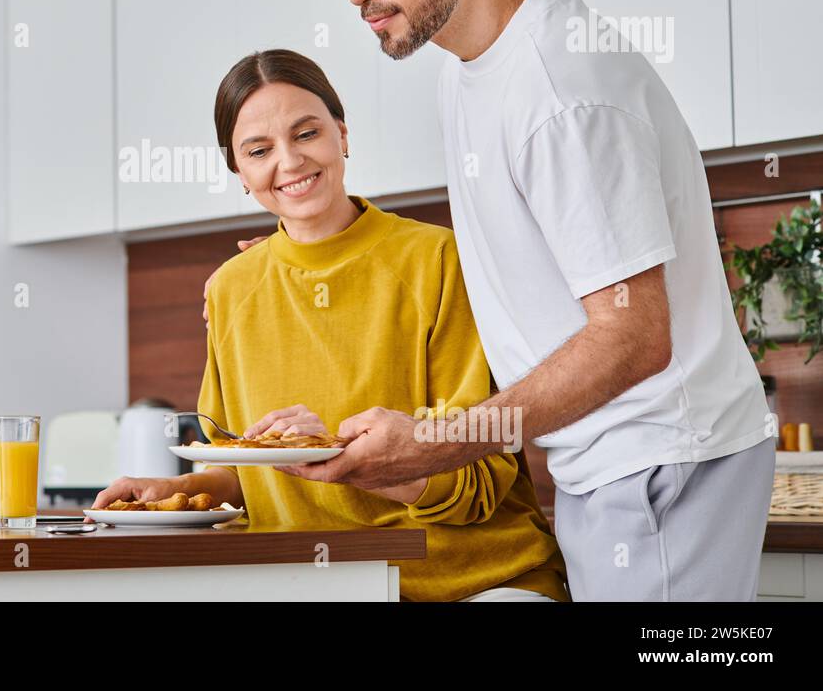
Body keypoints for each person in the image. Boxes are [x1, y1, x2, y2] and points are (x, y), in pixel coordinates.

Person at [208, 0, 775, 601]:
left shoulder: (559, 91)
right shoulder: (472, 68)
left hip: (662, 461)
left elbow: (633, 335)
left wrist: (436, 441)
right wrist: (292, 263)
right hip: (606, 464)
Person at [95, 48, 568, 602]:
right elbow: (248, 473)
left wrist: (339, 459)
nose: (290, 161)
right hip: (317, 585)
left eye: (306, 133)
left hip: (475, 582)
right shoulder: (231, 288)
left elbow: (476, 485)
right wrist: (176, 491)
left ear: (341, 134)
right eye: (259, 150)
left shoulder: (442, 262)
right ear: (239, 171)